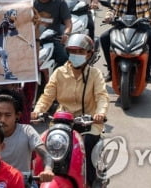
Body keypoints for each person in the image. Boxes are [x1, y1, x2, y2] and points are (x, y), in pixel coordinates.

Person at [31, 34, 109, 186]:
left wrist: (100, 113)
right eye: (73, 52)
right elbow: (47, 96)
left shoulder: (95, 74)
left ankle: (88, 182)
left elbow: (102, 97)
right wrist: (37, 111)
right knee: (40, 146)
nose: (76, 56)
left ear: (89, 54)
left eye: (80, 52)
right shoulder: (59, 72)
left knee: (87, 146)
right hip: (61, 124)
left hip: (88, 125)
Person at [100, 0, 151, 82]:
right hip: (121, 25)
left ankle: (147, 72)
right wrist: (109, 17)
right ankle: (111, 71)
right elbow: (112, 8)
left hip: (141, 26)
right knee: (104, 38)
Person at [32, 0, 72, 66]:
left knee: (64, 60)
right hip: (33, 39)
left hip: (52, 39)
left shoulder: (60, 1)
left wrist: (66, 34)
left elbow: (68, 23)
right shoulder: (29, 2)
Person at [0, 9, 33, 80]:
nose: (15, 16)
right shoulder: (5, 23)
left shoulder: (10, 24)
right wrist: (3, 50)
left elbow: (17, 34)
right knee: (4, 55)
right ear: (9, 15)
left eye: (16, 14)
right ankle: (7, 74)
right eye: (13, 14)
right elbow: (4, 37)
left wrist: (28, 42)